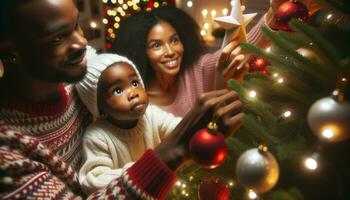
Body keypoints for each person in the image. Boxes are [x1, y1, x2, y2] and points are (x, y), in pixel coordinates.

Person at [0, 0, 243, 199]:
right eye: (58, 38)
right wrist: (175, 148)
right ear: (12, 51)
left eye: (76, 26)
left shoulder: (79, 77)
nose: (82, 42)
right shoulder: (7, 152)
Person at [76, 53, 183, 195]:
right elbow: (93, 181)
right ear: (99, 107)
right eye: (118, 90)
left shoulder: (151, 114)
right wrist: (140, 170)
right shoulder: (97, 136)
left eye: (134, 83)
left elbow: (178, 128)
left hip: (157, 190)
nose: (133, 93)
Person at [112, 6, 245, 117]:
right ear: (142, 52)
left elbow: (239, 47)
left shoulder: (197, 69)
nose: (170, 52)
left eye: (174, 40)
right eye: (156, 45)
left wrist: (266, 22)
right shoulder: (139, 101)